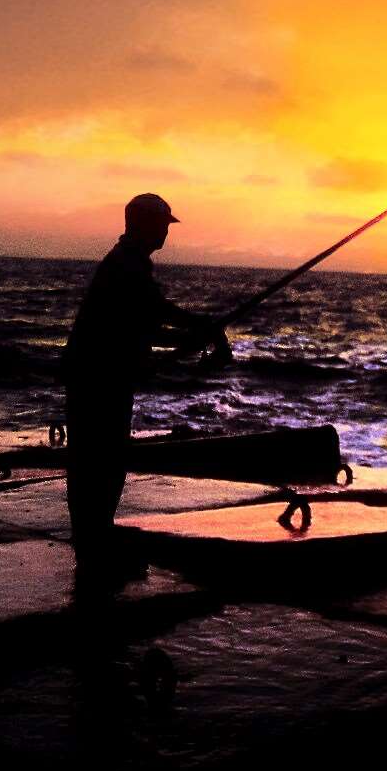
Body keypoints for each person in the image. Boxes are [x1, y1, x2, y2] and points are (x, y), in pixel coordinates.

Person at [59, 193, 230, 545]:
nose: (165, 233)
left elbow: (144, 322)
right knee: (100, 463)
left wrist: (196, 333)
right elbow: (153, 315)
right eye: (162, 225)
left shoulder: (130, 262)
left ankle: (92, 535)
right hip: (99, 380)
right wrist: (203, 328)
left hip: (102, 377)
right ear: (142, 225)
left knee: (96, 462)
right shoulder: (127, 265)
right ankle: (92, 539)